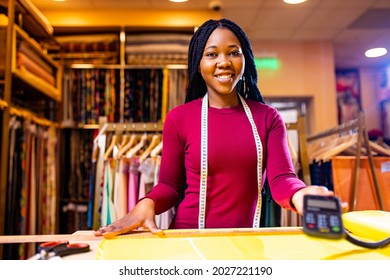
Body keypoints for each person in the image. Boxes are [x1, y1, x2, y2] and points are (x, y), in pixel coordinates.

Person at [95, 18, 335, 238]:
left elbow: (282, 179)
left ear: (246, 60)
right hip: (188, 242)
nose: (224, 62)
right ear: (198, 64)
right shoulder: (178, 119)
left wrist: (300, 195)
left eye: (234, 53)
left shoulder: (268, 118)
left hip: (246, 243)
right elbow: (170, 186)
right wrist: (146, 203)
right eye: (212, 54)